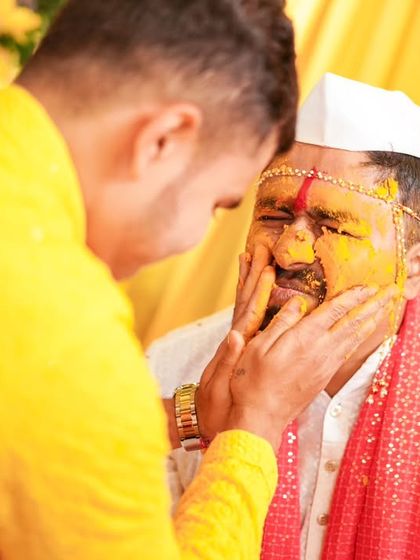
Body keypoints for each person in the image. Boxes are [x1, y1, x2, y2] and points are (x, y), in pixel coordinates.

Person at [0, 0, 395, 556]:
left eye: (333, 225)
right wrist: (252, 427)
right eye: (222, 203)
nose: (288, 250)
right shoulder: (77, 342)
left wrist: (190, 416)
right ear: (162, 140)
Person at [148, 74, 420, 560]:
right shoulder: (172, 367)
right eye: (273, 218)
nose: (290, 251)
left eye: (334, 225)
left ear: (414, 264)